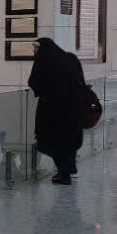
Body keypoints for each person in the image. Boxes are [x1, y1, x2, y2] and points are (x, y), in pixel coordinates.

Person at [28, 37, 85, 185]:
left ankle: (63, 174)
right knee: (69, 140)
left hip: (52, 111)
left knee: (54, 140)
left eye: (36, 48)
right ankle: (68, 169)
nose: (34, 51)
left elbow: (34, 82)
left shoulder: (45, 62)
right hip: (73, 109)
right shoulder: (70, 58)